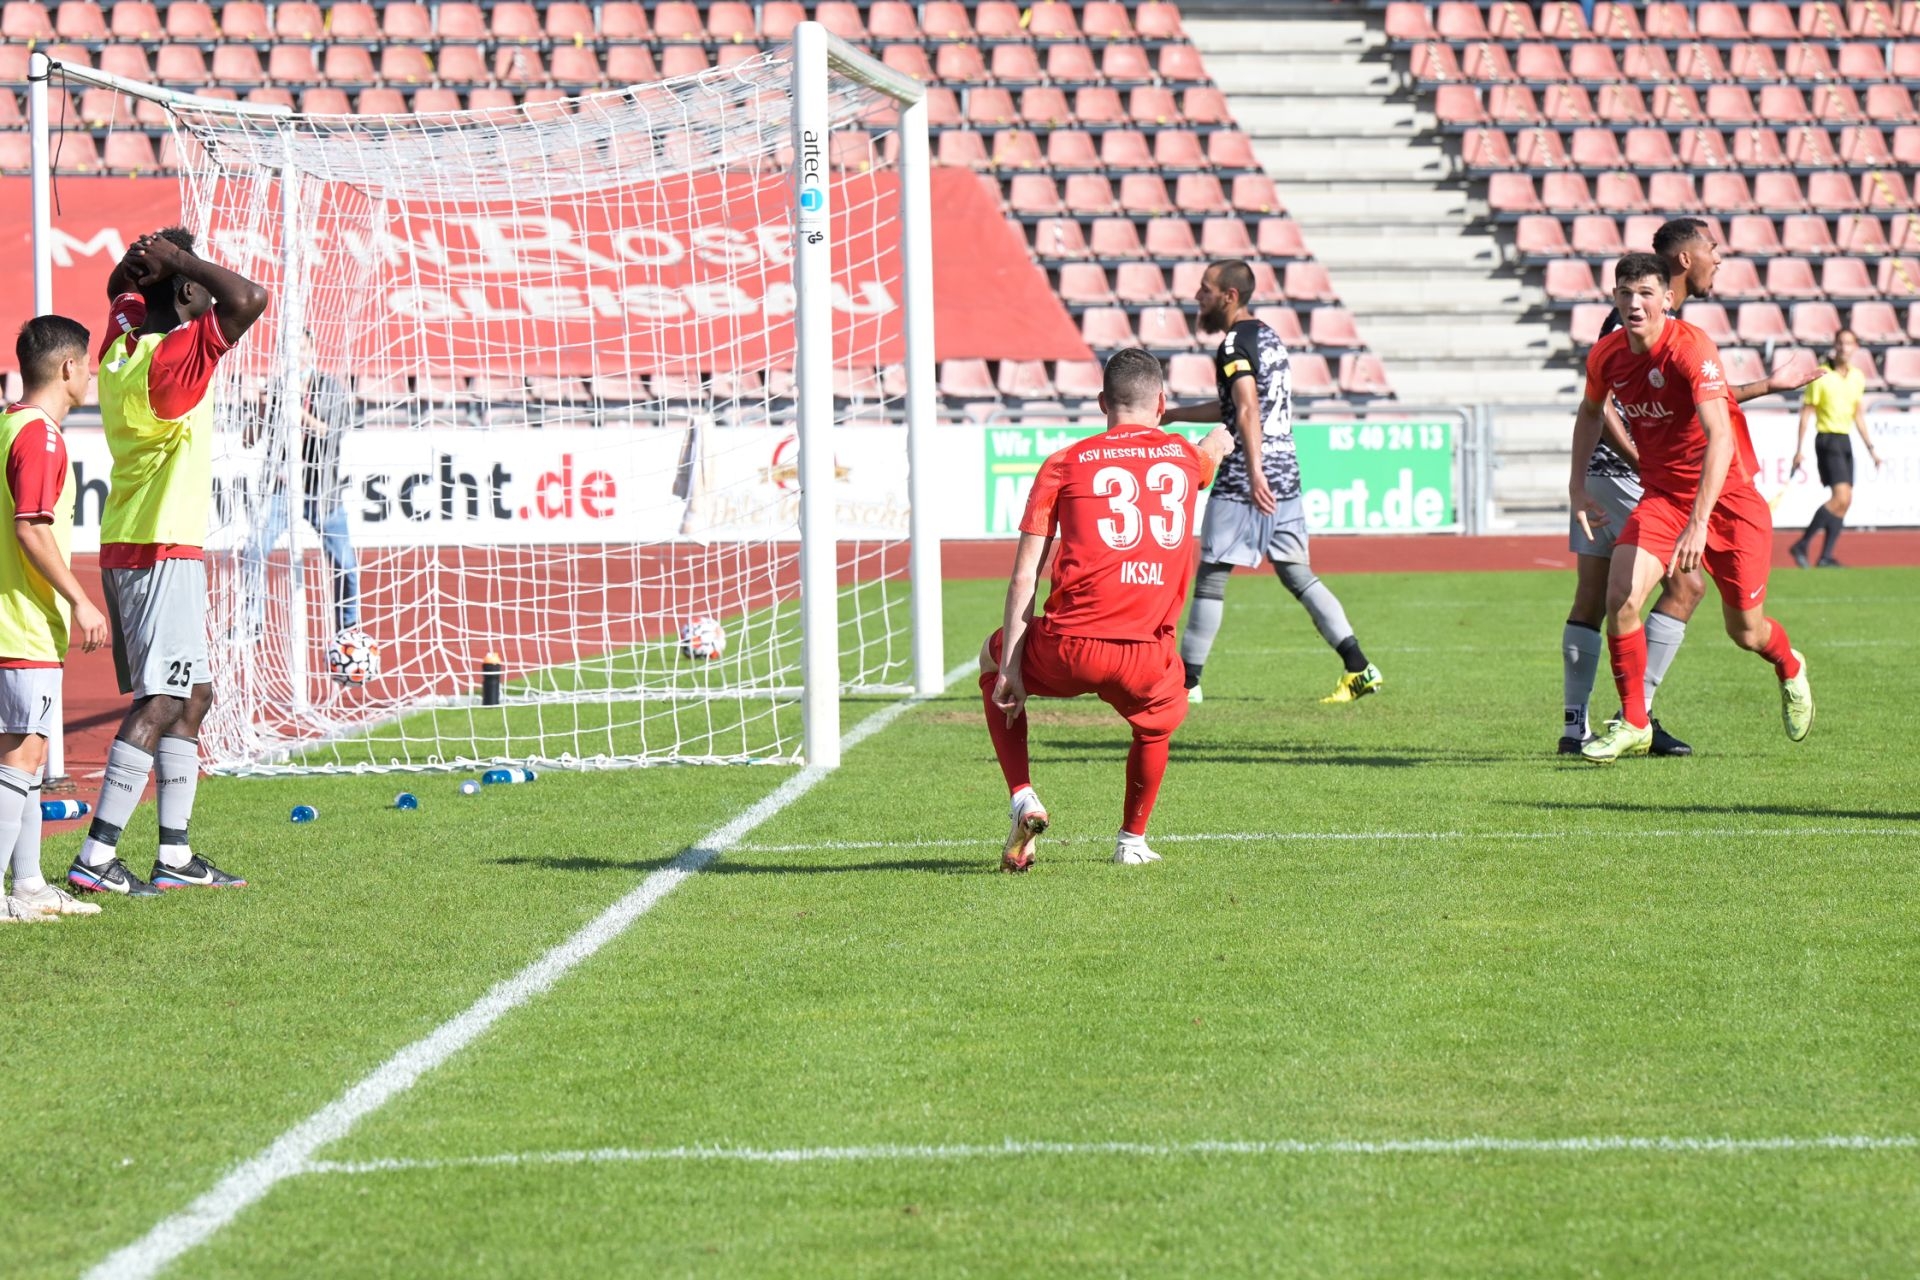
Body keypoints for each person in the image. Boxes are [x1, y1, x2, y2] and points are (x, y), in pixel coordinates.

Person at [1560, 218, 1818, 756]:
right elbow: (1591, 412)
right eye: (1625, 293)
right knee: (1619, 597)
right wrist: (1576, 486)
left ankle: (1789, 664)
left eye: (1644, 294)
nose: (1634, 303)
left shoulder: (1691, 346)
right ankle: (1634, 722)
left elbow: (1718, 433)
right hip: (1660, 495)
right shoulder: (1609, 350)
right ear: (1615, 297)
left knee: (1746, 632)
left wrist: (1700, 521)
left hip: (1728, 501)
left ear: (1664, 298)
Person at [66, 227, 268, 897]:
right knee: (162, 699)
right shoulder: (171, 358)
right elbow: (250, 298)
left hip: (143, 538)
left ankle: (174, 855)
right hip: (159, 546)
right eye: (194, 282)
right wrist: (180, 259)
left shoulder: (122, 340)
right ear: (183, 288)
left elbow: (119, 292)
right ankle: (96, 855)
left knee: (195, 694)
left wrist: (145, 266)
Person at [981, 349, 1232, 871]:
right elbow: (1207, 457)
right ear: (1161, 403)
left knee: (991, 658)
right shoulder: (1185, 458)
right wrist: (1220, 438)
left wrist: (1010, 670)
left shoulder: (1063, 463)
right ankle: (1131, 840)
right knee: (1156, 725)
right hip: (1145, 654)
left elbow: (1025, 575)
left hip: (1069, 648)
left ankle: (1023, 794)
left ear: (1101, 403)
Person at [1164, 260, 1381, 705]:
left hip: (1249, 476)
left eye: (1205, 289)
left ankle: (1186, 685)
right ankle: (1358, 667)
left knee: (1211, 577)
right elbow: (1237, 404)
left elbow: (1247, 410)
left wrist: (1254, 471)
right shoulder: (1267, 337)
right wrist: (1175, 415)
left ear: (1229, 296)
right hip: (1287, 473)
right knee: (1298, 574)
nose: (1198, 296)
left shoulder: (1232, 344)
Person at [0, 317, 112, 922]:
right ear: (68, 367)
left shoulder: (8, 424)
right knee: (22, 758)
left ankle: (29, 886)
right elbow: (30, 529)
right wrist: (79, 599)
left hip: (14, 618)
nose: (91, 374)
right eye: (87, 363)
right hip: (22, 622)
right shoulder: (41, 437)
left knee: (25, 757)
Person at [242, 331, 361, 635]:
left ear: (312, 349)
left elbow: (329, 432)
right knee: (254, 549)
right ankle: (253, 622)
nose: (295, 355)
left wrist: (297, 410)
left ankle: (348, 628)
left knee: (345, 563)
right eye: (288, 349)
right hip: (283, 489)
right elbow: (248, 441)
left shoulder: (329, 387)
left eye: (301, 348)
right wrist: (261, 408)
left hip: (322, 491)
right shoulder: (275, 388)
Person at [1789, 329, 1881, 569]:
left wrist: (1871, 449)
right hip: (1827, 439)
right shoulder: (1822, 374)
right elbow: (1807, 413)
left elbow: (1857, 414)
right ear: (1835, 346)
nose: (1844, 348)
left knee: (1846, 500)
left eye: (1848, 343)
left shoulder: (1857, 377)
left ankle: (1825, 556)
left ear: (1855, 347)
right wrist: (1799, 449)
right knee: (1840, 497)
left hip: (1845, 439)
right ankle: (1802, 544)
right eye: (1840, 343)